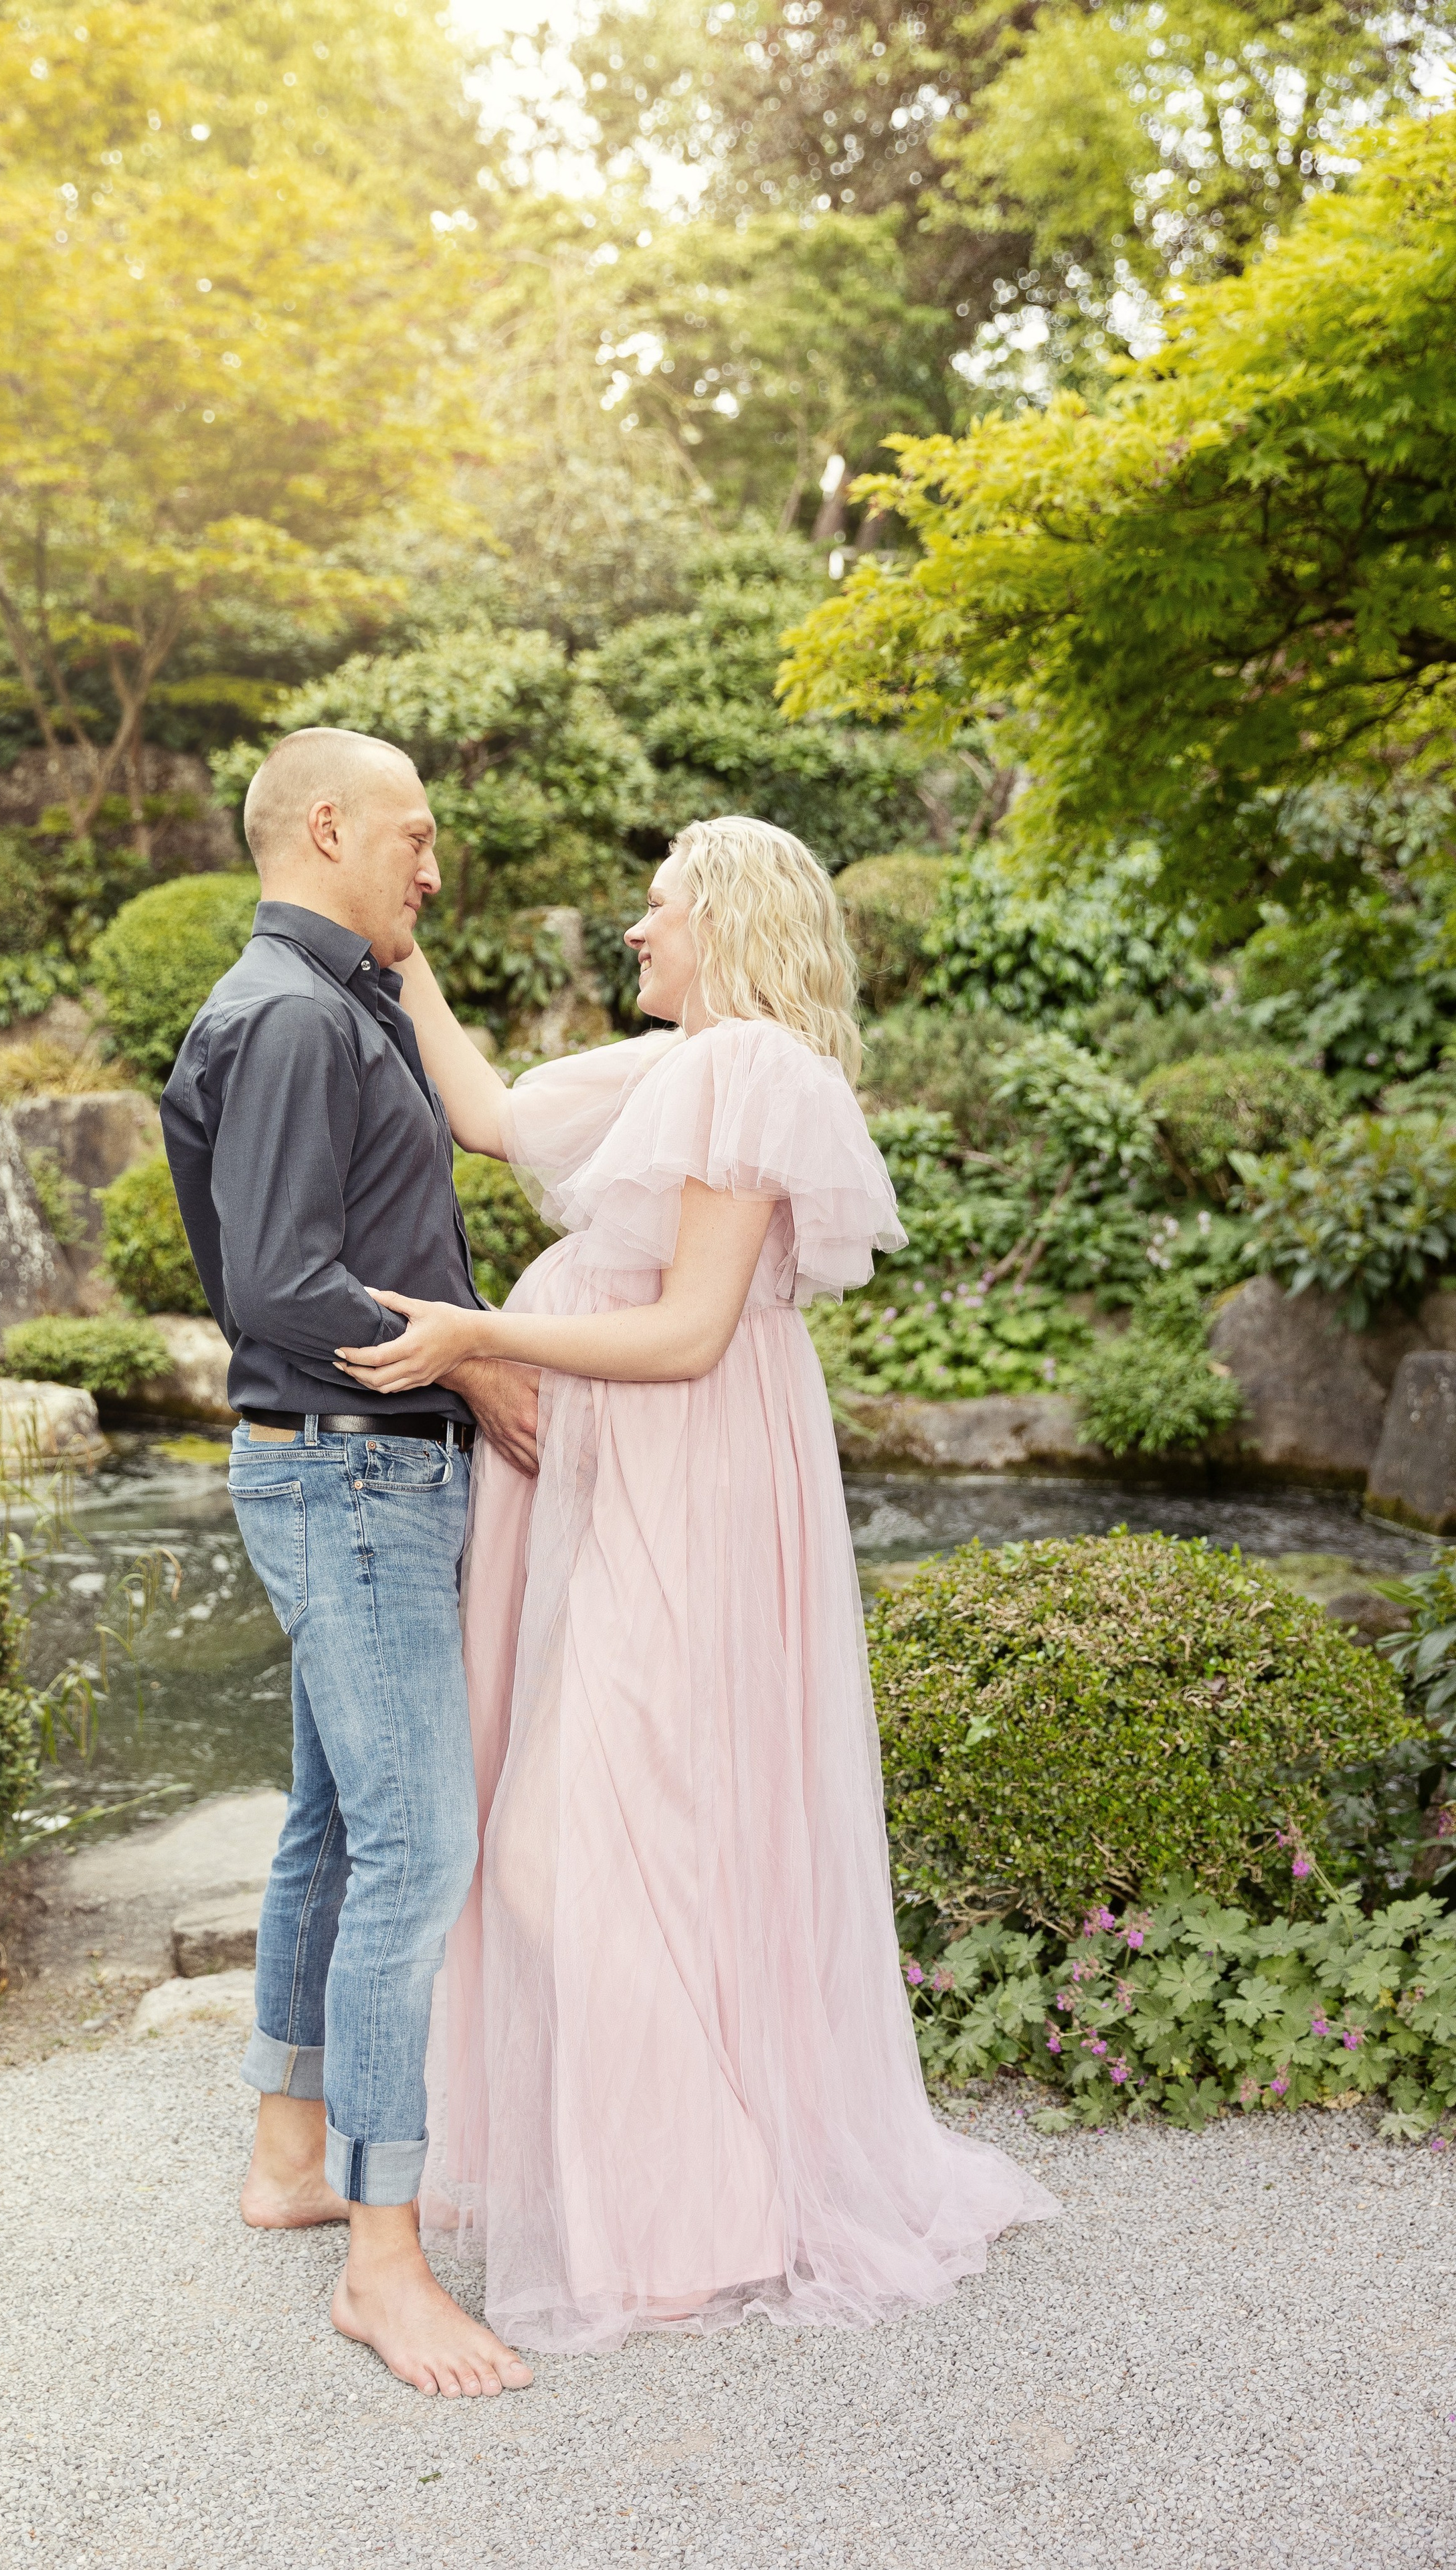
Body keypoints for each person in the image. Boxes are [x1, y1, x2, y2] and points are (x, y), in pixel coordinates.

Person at [335, 813, 1059, 2354]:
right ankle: (672, 2186)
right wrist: (396, 957)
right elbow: (487, 1115)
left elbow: (685, 1335)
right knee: (616, 1820)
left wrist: (477, 1340)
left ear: (723, 925)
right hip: (613, 1474)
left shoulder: (749, 1075)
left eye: (656, 911)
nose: (633, 935)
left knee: (563, 1837)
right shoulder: (673, 1069)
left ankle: (703, 2196)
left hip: (681, 1466)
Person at [160, 725, 539, 2398]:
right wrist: (472, 1359)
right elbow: (282, 1288)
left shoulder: (309, 998)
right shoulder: (300, 1013)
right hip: (354, 1477)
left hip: (334, 1470)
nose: (433, 867)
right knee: (416, 1854)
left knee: (330, 1824)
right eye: (415, 835)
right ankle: (385, 2266)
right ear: (329, 827)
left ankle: (285, 2158)